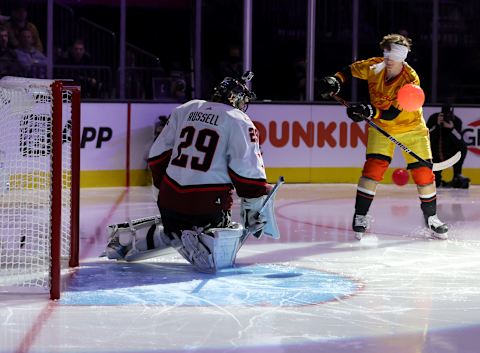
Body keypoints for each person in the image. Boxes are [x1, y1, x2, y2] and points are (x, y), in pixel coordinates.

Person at [105, 71, 275, 273]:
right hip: (206, 208)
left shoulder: (186, 108)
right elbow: (249, 177)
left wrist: (162, 194)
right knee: (234, 229)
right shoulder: (239, 120)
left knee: (174, 223)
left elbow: (157, 156)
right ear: (237, 99)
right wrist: (256, 208)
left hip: (169, 204)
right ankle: (204, 239)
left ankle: (168, 232)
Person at [318, 33, 449, 240]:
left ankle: (432, 218)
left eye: (394, 55)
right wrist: (335, 79)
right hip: (382, 128)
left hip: (411, 128)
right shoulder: (375, 66)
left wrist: (368, 111)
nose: (388, 59)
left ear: (403, 56)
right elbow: (349, 71)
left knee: (424, 174)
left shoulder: (410, 79)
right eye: (386, 53)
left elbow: (392, 113)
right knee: (373, 169)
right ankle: (360, 216)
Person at [427, 104, 470, 188]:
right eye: (444, 115)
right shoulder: (434, 118)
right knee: (435, 183)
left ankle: (457, 175)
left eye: (448, 115)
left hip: (450, 153)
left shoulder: (456, 121)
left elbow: (460, 140)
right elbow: (425, 137)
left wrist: (452, 128)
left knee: (463, 147)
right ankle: (437, 178)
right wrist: (436, 126)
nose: (446, 118)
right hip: (435, 155)